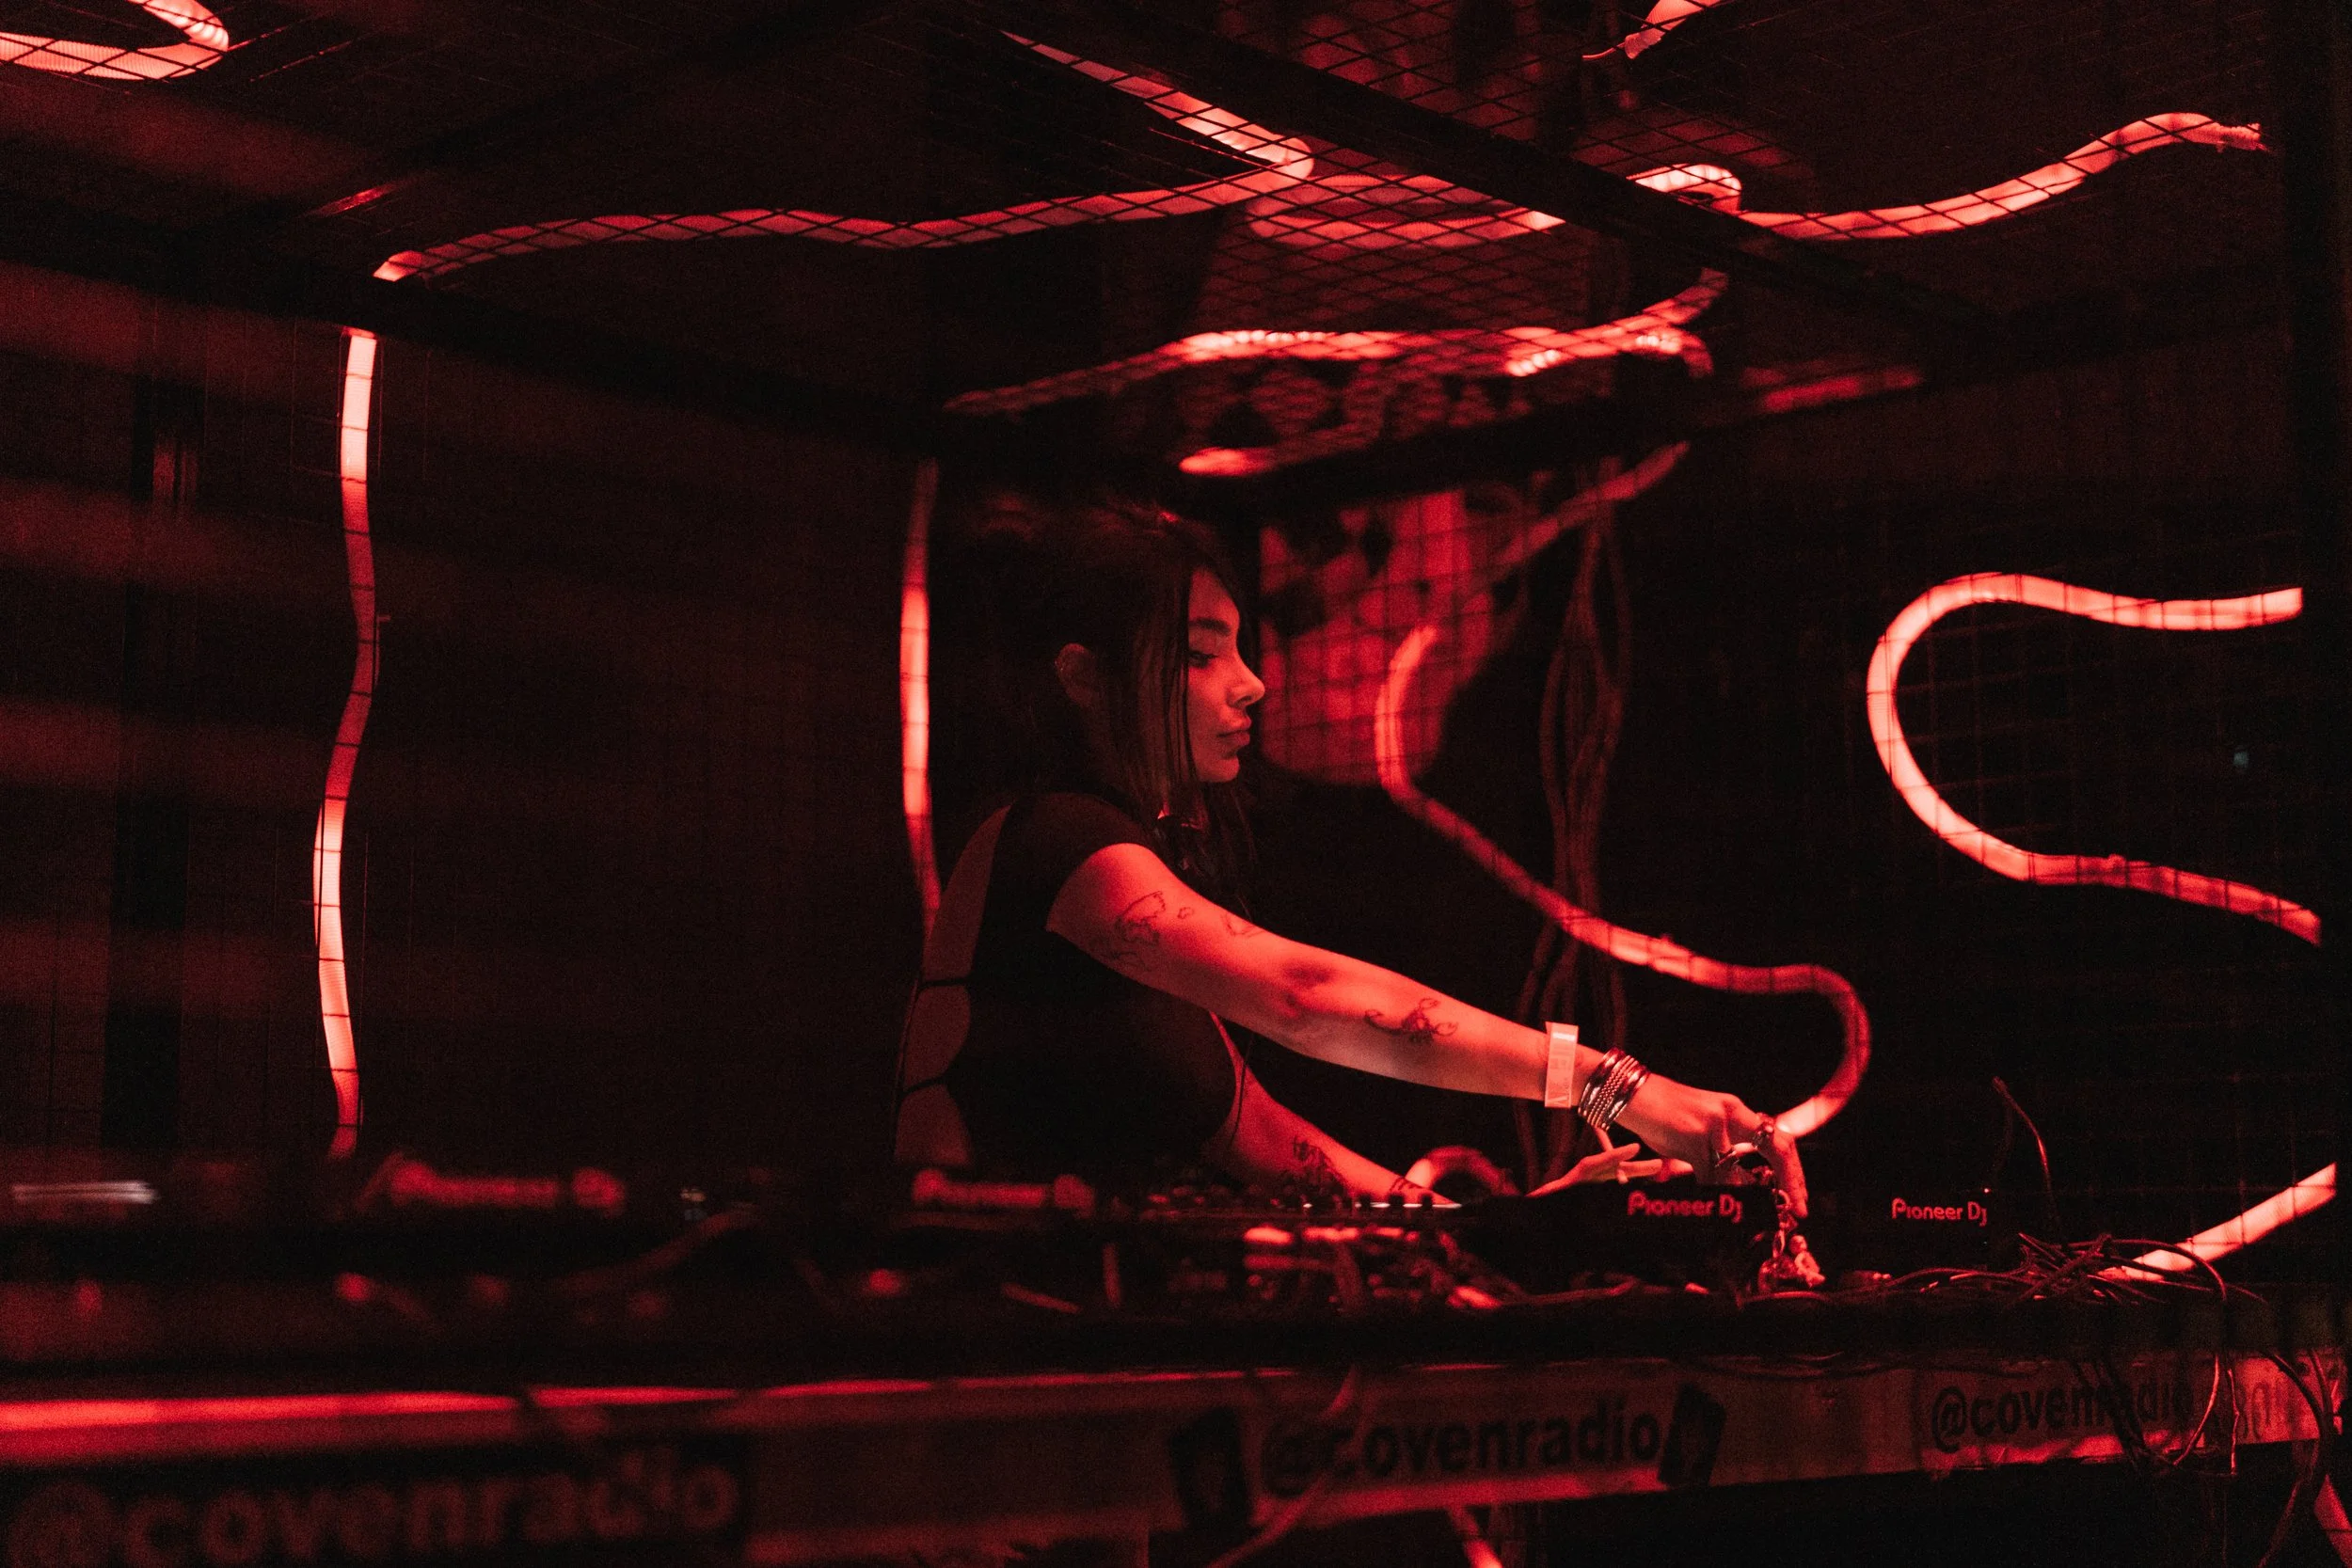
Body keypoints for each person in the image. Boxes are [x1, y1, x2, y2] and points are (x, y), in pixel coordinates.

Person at [894, 500, 1804, 1212]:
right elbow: (1307, 996)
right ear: (1085, 678)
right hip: (974, 1354)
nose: (1251, 681)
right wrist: (1616, 1086)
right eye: (1202, 654)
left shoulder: (1126, 892)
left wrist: (1501, 1232)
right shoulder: (1060, 842)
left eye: (1242, 647)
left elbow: (1266, 1143)